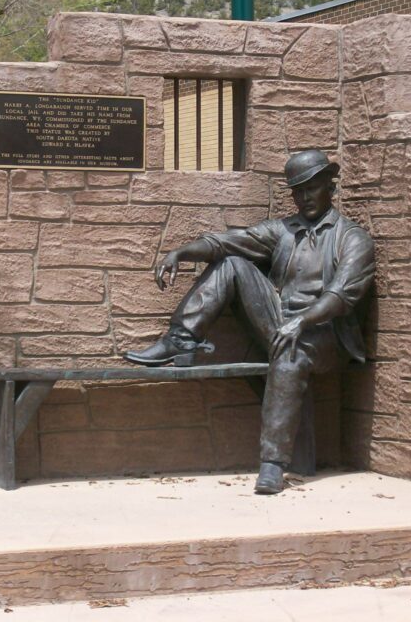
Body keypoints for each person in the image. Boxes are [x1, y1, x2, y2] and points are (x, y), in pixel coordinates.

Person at [124, 149, 375, 494]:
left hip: (325, 336)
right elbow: (229, 242)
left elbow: (340, 297)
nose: (304, 197)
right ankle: (180, 339)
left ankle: (273, 464)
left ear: (329, 187)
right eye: (297, 191)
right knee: (232, 262)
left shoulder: (353, 239)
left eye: (311, 188)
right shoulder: (284, 230)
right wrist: (182, 252)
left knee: (291, 353)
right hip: (279, 320)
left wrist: (301, 322)